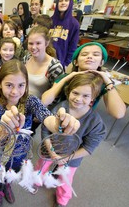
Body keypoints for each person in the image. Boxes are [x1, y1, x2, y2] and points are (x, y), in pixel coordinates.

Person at [0, 59, 80, 207]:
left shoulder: (30, 101)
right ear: (0, 84)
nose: (15, 91)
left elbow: (47, 117)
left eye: (21, 85)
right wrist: (4, 127)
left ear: (26, 84)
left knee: (13, 172)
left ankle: (7, 185)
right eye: (9, 85)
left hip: (20, 152)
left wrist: (59, 124)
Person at [35, 72, 106, 207]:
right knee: (41, 166)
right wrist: (50, 149)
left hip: (72, 157)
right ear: (69, 92)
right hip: (49, 149)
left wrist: (66, 158)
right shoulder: (60, 107)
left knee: (65, 178)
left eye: (85, 96)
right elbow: (46, 128)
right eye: (75, 93)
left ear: (93, 97)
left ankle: (62, 200)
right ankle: (37, 180)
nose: (78, 99)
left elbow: (89, 148)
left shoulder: (95, 122)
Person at [42, 42, 126, 119]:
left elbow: (118, 114)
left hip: (83, 121)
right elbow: (44, 101)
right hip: (60, 116)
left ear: (101, 62)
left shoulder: (102, 84)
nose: (90, 57)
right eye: (84, 54)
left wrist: (108, 82)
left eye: (96, 55)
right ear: (76, 62)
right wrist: (66, 78)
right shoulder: (65, 77)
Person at [49, 0, 80, 68]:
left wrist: (66, 64)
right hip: (46, 60)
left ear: (71, 2)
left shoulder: (74, 24)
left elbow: (72, 47)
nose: (63, 3)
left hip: (61, 63)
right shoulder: (50, 21)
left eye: (66, 0)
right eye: (60, 0)